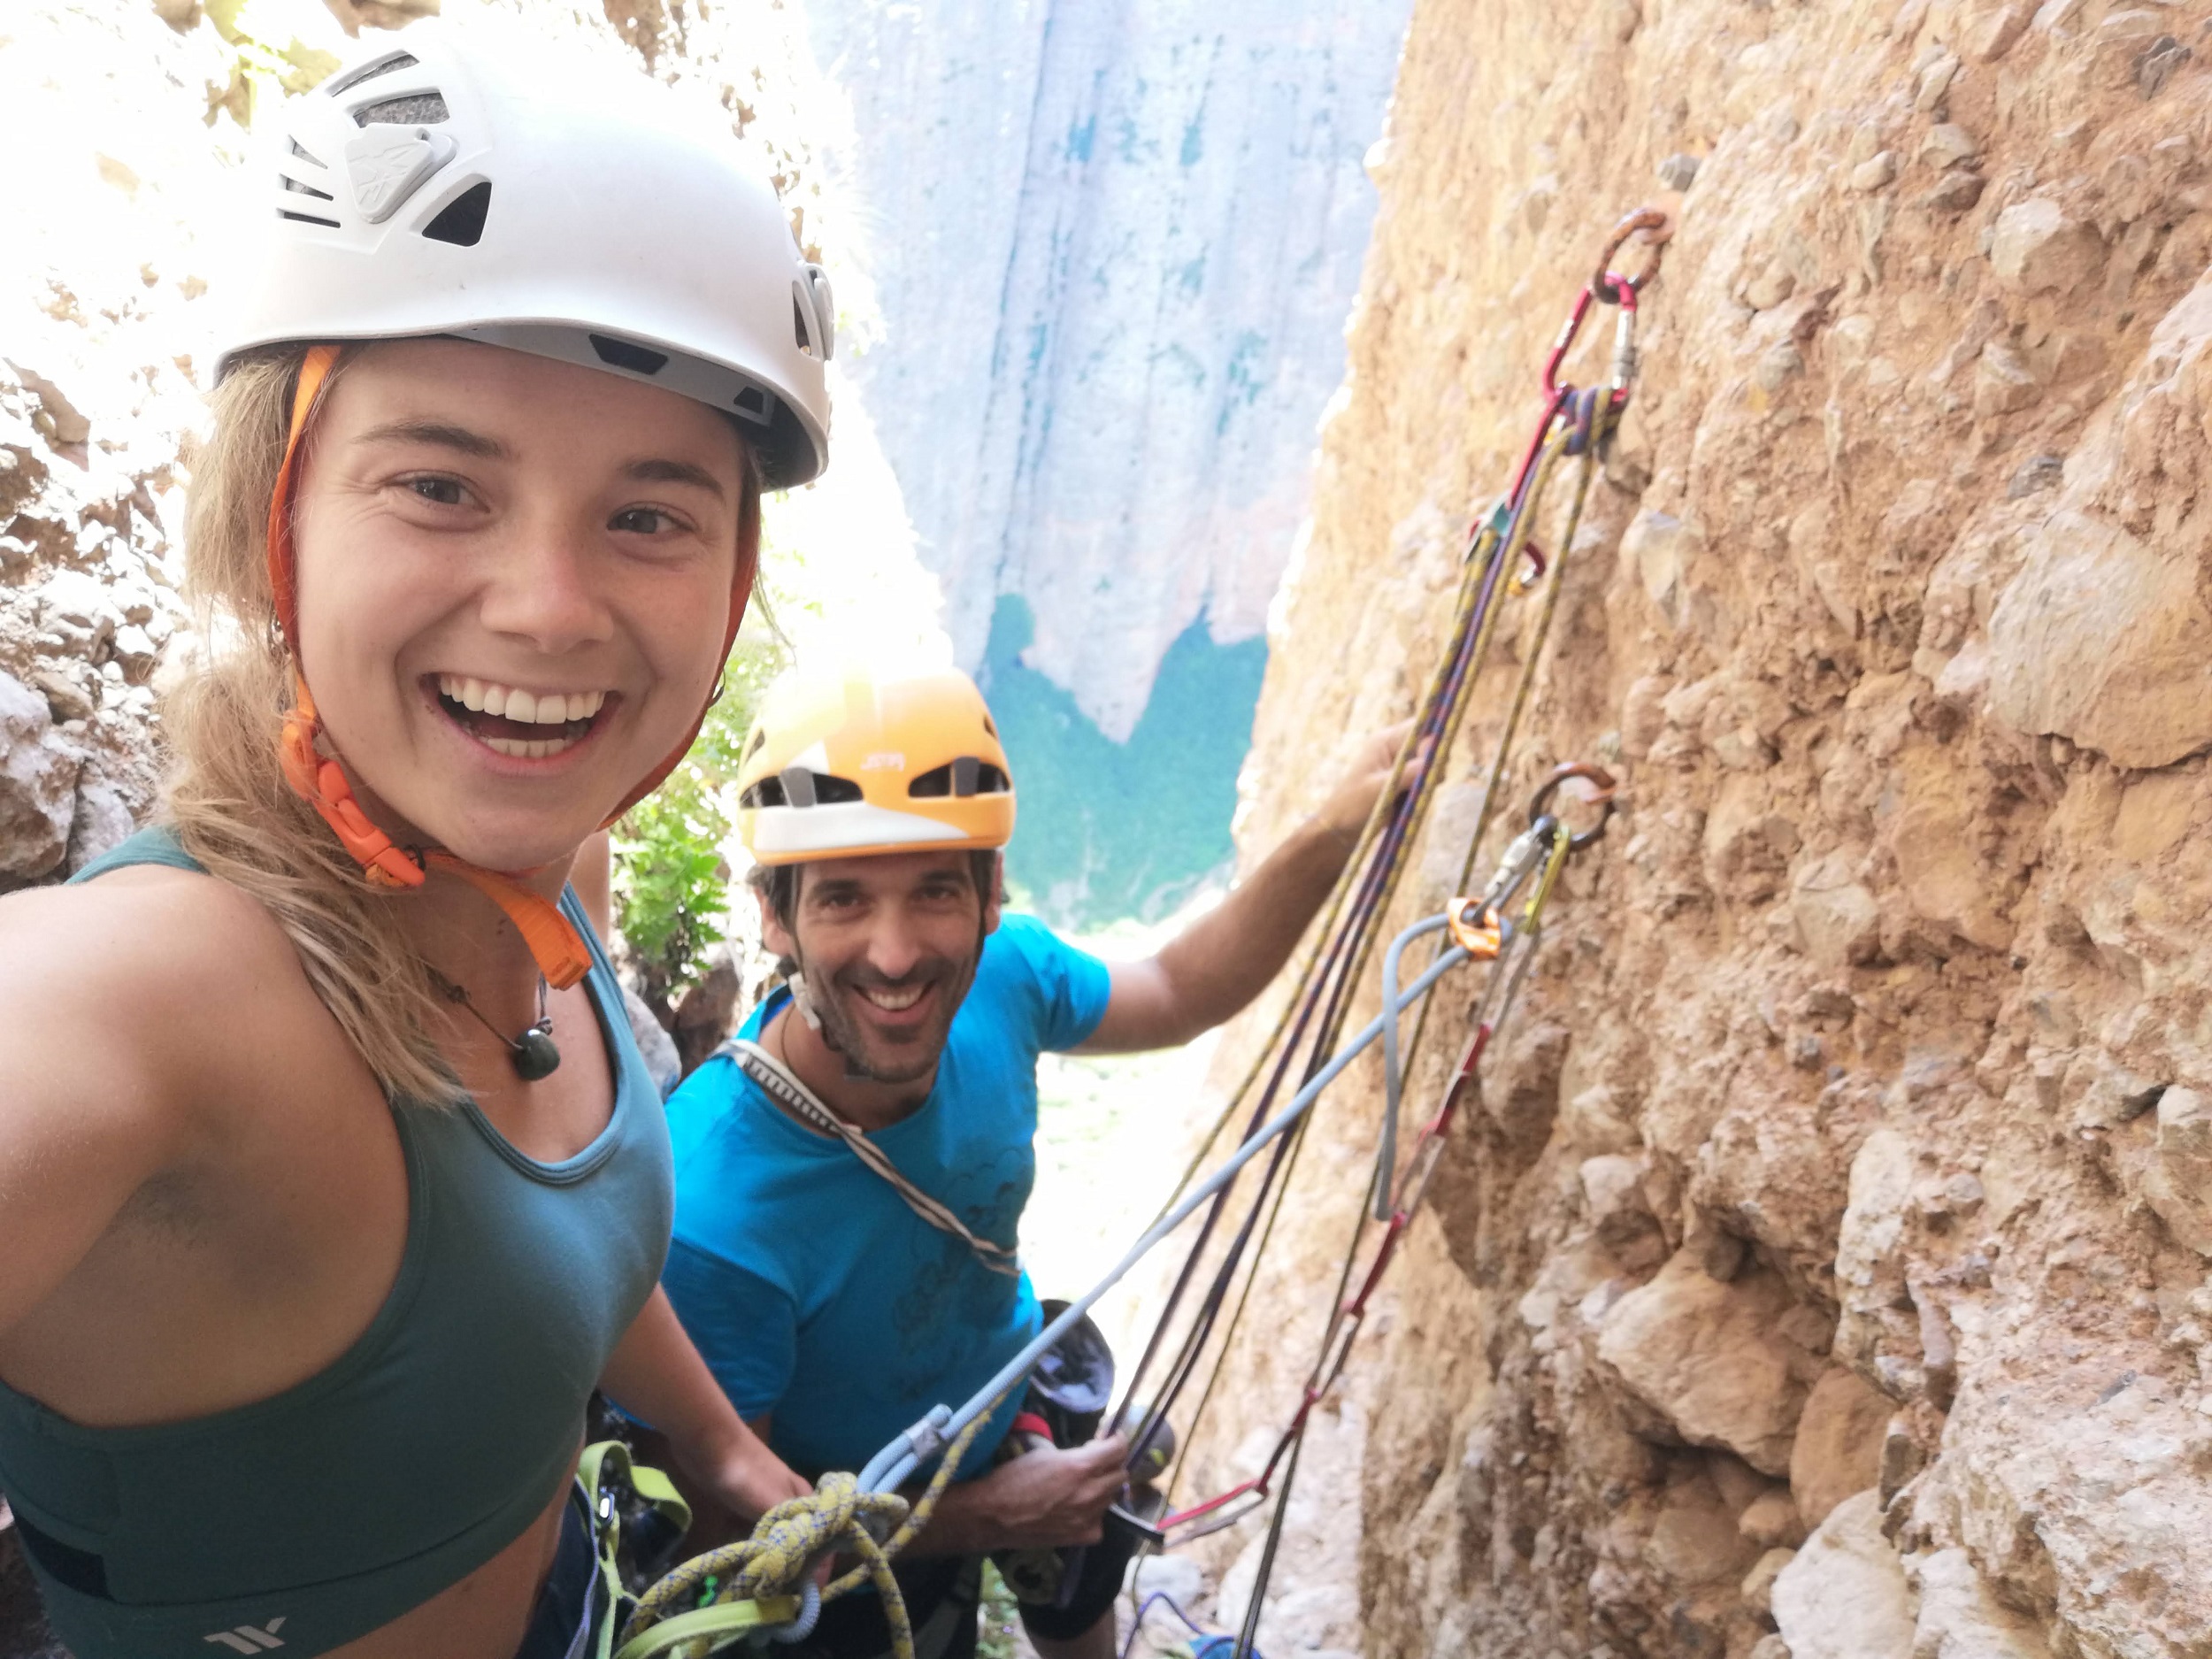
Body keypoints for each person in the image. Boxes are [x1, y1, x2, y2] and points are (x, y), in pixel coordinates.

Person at [0, 21, 833, 1658]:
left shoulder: (550, 874)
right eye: (442, 485)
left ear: (729, 580)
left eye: (651, 513)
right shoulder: (143, 994)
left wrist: (722, 1447)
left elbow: (566, 1246)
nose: (548, 608)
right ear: (274, 517)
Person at [657, 666, 1410, 1659]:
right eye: (843, 899)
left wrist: (1330, 834)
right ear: (776, 917)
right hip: (863, 1523)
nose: (893, 954)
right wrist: (989, 1514)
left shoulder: (1007, 976)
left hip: (1009, 1400)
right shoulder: (713, 1210)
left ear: (989, 898)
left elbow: (1179, 992)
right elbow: (738, 1541)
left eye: (934, 890)